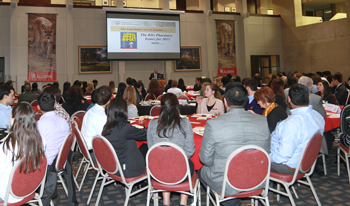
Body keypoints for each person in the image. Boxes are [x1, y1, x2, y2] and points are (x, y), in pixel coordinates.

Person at [198, 82, 270, 206]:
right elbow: (267, 152)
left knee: (200, 171)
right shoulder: (263, 120)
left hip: (227, 181)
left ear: (225, 101)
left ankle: (231, 202)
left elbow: (206, 159)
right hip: (257, 177)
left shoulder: (214, 124)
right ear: (246, 100)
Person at [147, 93, 195, 206]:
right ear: (177, 106)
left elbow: (151, 150)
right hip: (181, 171)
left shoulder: (152, 124)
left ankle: (166, 200)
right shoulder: (185, 123)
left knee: (163, 162)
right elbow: (190, 151)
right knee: (188, 162)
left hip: (158, 171)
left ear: (161, 107)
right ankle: (183, 201)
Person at [270, 83, 325, 175]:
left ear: (289, 99)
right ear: (309, 98)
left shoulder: (292, 123)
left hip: (289, 166)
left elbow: (282, 157)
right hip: (307, 162)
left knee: (255, 160)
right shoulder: (318, 116)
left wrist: (266, 156)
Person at [0, 103, 45, 204]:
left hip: (8, 195)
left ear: (14, 119)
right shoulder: (41, 140)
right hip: (30, 188)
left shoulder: (7, 146)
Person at [102, 97, 147, 178]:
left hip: (112, 166)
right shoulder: (124, 128)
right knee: (147, 147)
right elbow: (145, 135)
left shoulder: (106, 126)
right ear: (124, 110)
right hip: (126, 169)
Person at [37, 93, 70, 166]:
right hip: (62, 161)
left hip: (45, 163)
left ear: (38, 107)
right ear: (55, 105)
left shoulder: (38, 125)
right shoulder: (64, 122)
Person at [81, 86, 112, 155]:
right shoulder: (102, 118)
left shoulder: (90, 110)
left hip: (84, 147)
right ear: (108, 101)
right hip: (94, 152)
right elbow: (104, 140)